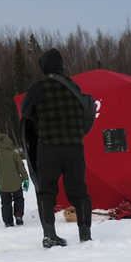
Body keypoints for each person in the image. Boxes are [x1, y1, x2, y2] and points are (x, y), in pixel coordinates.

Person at [20, 48, 93, 248]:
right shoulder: (74, 87)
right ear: (61, 66)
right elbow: (86, 115)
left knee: (46, 192)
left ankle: (50, 235)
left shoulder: (38, 88)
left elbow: (25, 111)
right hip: (74, 148)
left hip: (49, 148)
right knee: (79, 192)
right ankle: (85, 234)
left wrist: (40, 121)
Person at [0, 133, 30, 227]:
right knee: (19, 199)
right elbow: (21, 167)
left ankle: (8, 221)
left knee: (6, 203)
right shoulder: (14, 154)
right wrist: (26, 179)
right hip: (16, 183)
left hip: (3, 185)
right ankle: (19, 215)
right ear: (9, 142)